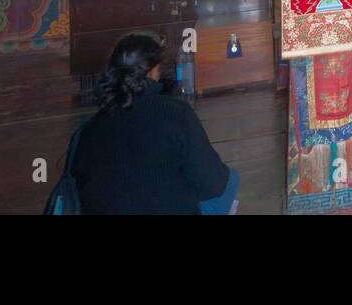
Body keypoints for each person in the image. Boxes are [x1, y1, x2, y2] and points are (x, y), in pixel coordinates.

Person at [70, 32, 239, 215]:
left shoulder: (88, 131)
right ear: (151, 70)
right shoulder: (175, 113)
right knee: (230, 181)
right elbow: (213, 185)